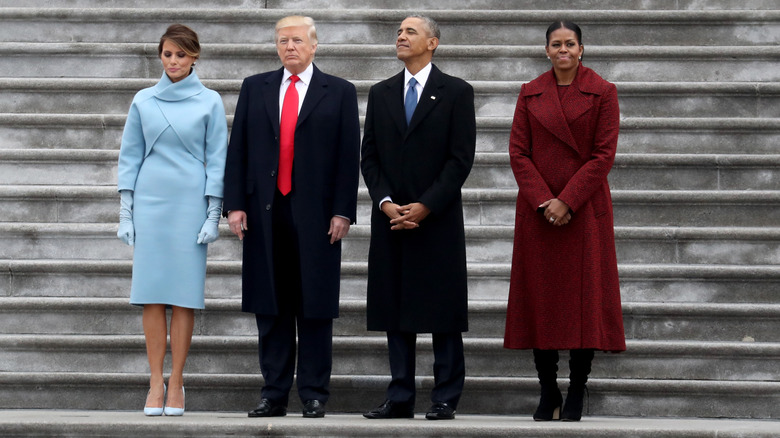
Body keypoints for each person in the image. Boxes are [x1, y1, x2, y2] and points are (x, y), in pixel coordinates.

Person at [222, 15, 360, 419]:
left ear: (314, 46)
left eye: (297, 41)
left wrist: (342, 211)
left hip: (317, 215)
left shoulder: (339, 91)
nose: (290, 48)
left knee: (314, 306)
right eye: (283, 41)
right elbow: (239, 149)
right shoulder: (255, 87)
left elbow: (346, 157)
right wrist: (235, 204)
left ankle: (314, 392)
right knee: (271, 306)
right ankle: (274, 393)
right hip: (265, 212)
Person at [503, 21, 626, 422]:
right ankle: (547, 390)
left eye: (570, 44)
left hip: (584, 210)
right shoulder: (529, 92)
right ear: (546, 50)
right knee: (542, 300)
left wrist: (568, 200)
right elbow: (518, 152)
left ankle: (576, 390)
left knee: (583, 303)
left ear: (581, 49)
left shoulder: (604, 92)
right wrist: (544, 200)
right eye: (556, 44)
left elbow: (603, 155)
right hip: (540, 213)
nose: (563, 50)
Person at [361, 15, 476, 421]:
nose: (401, 36)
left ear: (433, 42)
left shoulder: (456, 92)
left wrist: (427, 205)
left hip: (437, 218)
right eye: (399, 32)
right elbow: (369, 156)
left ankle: (445, 396)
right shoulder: (381, 92)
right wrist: (385, 201)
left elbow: (460, 159)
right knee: (396, 310)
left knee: (442, 310)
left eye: (410, 31)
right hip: (392, 218)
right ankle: (400, 395)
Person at [116, 24, 228, 417]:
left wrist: (213, 215)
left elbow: (218, 159)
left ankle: (177, 382)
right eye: (168, 54)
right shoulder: (143, 100)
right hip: (151, 202)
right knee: (151, 294)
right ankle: (154, 383)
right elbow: (130, 156)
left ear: (194, 56)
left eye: (181, 55)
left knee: (183, 298)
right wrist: (126, 212)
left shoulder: (210, 101)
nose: (174, 61)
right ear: (159, 56)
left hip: (190, 204)